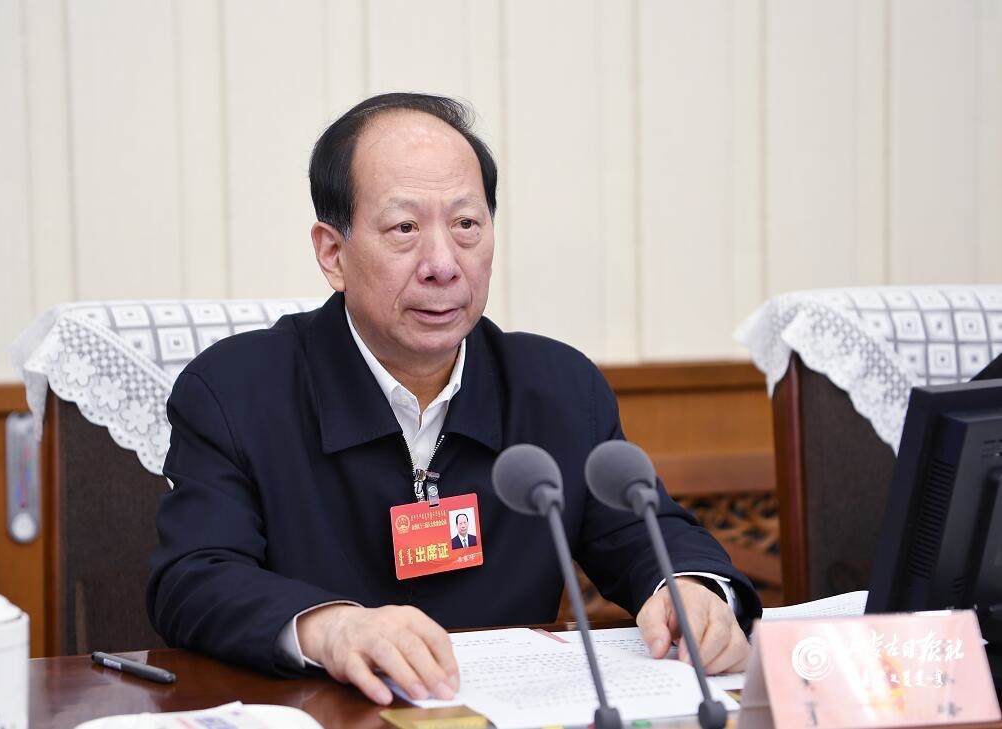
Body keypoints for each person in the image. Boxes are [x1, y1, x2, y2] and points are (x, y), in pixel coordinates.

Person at [147, 92, 762, 707]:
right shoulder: (236, 392)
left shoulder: (558, 389)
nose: (442, 264)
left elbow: (644, 533)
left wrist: (692, 589)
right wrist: (330, 628)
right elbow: (194, 578)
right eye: (405, 229)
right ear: (333, 253)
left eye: (466, 225)